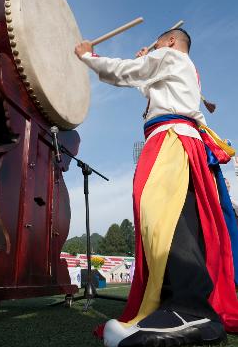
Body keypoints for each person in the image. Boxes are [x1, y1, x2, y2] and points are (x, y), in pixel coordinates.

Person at [75, 29, 238, 347]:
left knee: (164, 218)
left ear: (172, 42)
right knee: (179, 217)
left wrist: (88, 57)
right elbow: (151, 85)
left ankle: (188, 310)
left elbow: (125, 72)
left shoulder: (168, 56)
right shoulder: (183, 67)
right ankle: (187, 307)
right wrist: (144, 69)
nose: (154, 46)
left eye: (159, 42)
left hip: (170, 141)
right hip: (183, 141)